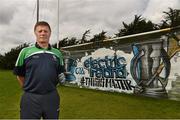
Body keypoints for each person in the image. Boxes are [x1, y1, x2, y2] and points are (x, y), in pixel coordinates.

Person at [13, 21, 64, 119]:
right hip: (30, 98)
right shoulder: (25, 52)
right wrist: (29, 89)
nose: (43, 33)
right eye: (40, 31)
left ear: (50, 33)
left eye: (45, 31)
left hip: (51, 97)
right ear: (35, 33)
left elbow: (60, 73)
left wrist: (63, 78)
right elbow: (19, 75)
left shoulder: (57, 53)